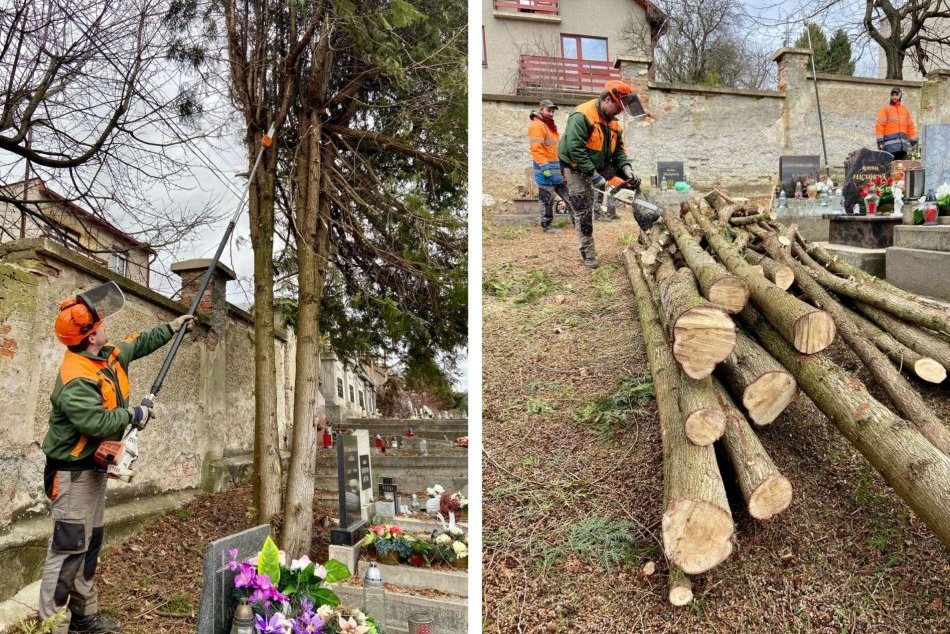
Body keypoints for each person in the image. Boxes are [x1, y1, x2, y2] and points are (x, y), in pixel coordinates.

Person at [39, 281, 194, 633]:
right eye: (100, 324)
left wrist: (171, 328)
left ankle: (83, 619)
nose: (106, 326)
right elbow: (95, 422)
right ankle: (51, 627)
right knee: (67, 550)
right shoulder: (75, 377)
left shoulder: (103, 353)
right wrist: (133, 415)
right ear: (90, 336)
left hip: (92, 471)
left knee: (88, 545)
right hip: (72, 475)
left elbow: (136, 344)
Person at [558, 80, 658, 268]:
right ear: (606, 99)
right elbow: (575, 148)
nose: (618, 114)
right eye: (617, 109)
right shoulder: (582, 115)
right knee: (584, 209)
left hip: (601, 162)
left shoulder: (613, 124)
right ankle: (588, 252)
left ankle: (648, 216)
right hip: (576, 166)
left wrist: (626, 168)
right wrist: (595, 176)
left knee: (631, 182)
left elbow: (618, 151)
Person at [528, 99, 571, 232]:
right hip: (545, 171)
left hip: (557, 170)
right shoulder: (537, 126)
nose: (551, 113)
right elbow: (537, 149)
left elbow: (555, 150)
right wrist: (544, 167)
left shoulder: (549, 126)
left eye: (552, 111)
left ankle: (579, 221)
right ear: (541, 109)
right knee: (547, 199)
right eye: (548, 110)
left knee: (570, 196)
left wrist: (563, 169)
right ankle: (546, 226)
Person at [875, 87, 918, 160]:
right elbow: (880, 126)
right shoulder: (885, 109)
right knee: (891, 169)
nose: (894, 97)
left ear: (900, 95)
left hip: (903, 148)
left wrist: (914, 141)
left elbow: (910, 127)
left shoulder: (905, 110)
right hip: (889, 148)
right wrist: (880, 142)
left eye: (896, 94)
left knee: (901, 170)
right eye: (892, 95)